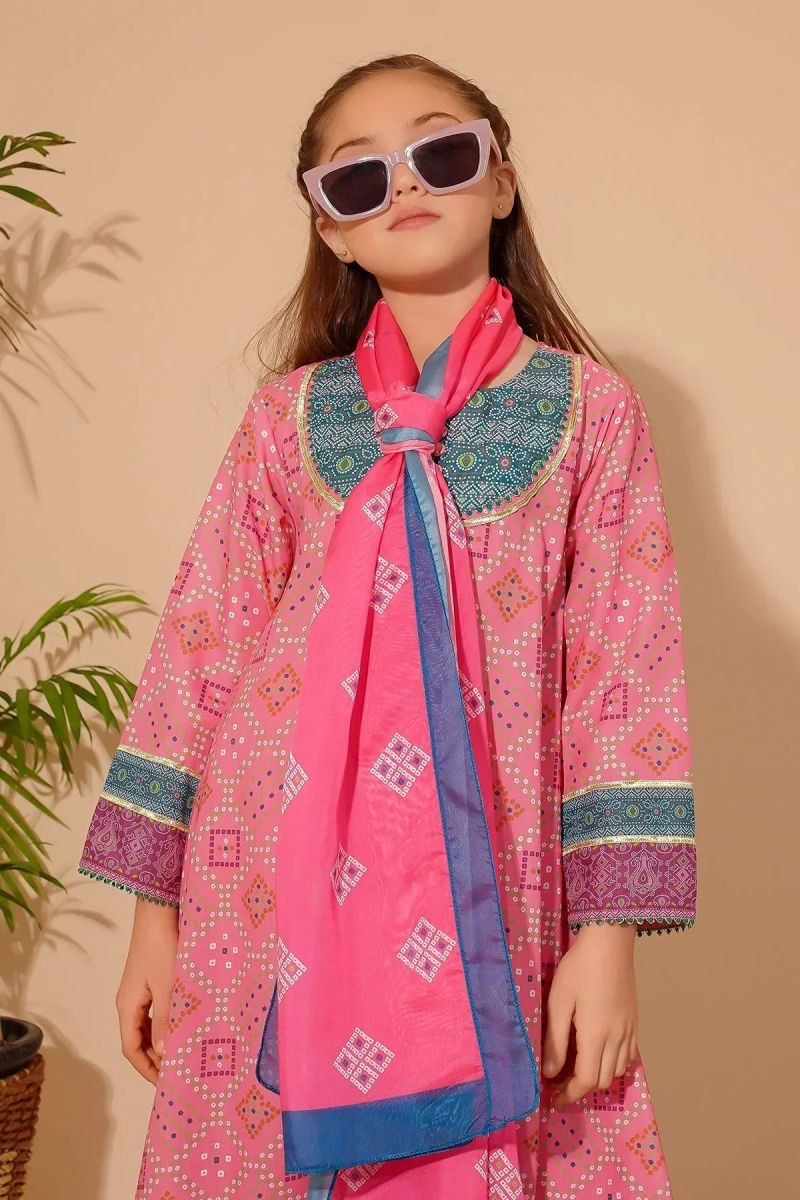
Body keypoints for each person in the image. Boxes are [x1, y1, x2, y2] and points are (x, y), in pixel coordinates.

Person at [78, 52, 697, 1200]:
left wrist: (607, 937)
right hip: (268, 884)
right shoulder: (286, 419)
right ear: (332, 231)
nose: (404, 185)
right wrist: (152, 923)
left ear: (500, 182)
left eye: (441, 152)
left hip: (496, 881)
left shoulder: (589, 413)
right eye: (358, 178)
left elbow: (622, 679)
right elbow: (199, 654)